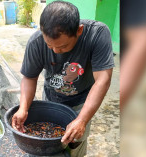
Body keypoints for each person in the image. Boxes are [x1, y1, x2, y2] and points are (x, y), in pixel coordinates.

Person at [12, 1, 114, 156]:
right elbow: (29, 78)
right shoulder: (36, 42)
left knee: (75, 142)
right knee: (46, 147)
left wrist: (82, 120)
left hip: (82, 102)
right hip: (51, 98)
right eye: (50, 46)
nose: (56, 51)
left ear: (79, 30)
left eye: (63, 46)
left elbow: (102, 80)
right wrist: (23, 108)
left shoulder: (97, 34)